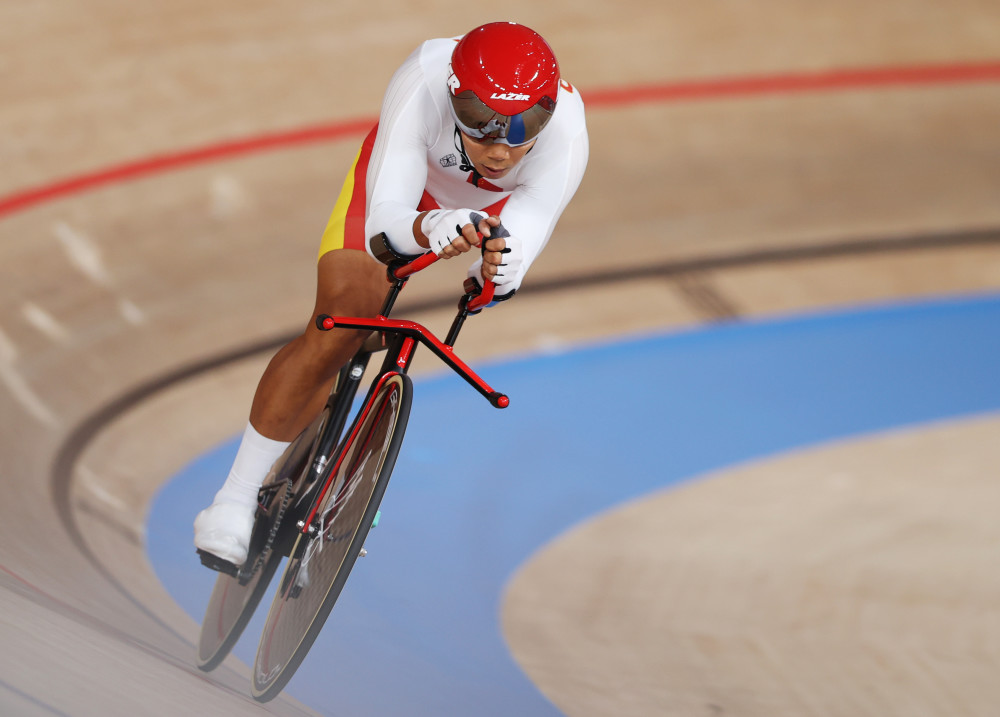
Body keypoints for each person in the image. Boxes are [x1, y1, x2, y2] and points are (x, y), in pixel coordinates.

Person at [194, 21, 589, 565]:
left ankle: (341, 451)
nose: (500, 147)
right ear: (453, 96)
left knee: (386, 331)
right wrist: (431, 226)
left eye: (524, 126)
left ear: (547, 113)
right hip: (401, 187)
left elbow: (514, 256)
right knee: (343, 324)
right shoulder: (423, 77)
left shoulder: (567, 133)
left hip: (480, 213)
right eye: (480, 122)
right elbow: (385, 229)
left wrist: (499, 272)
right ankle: (233, 500)